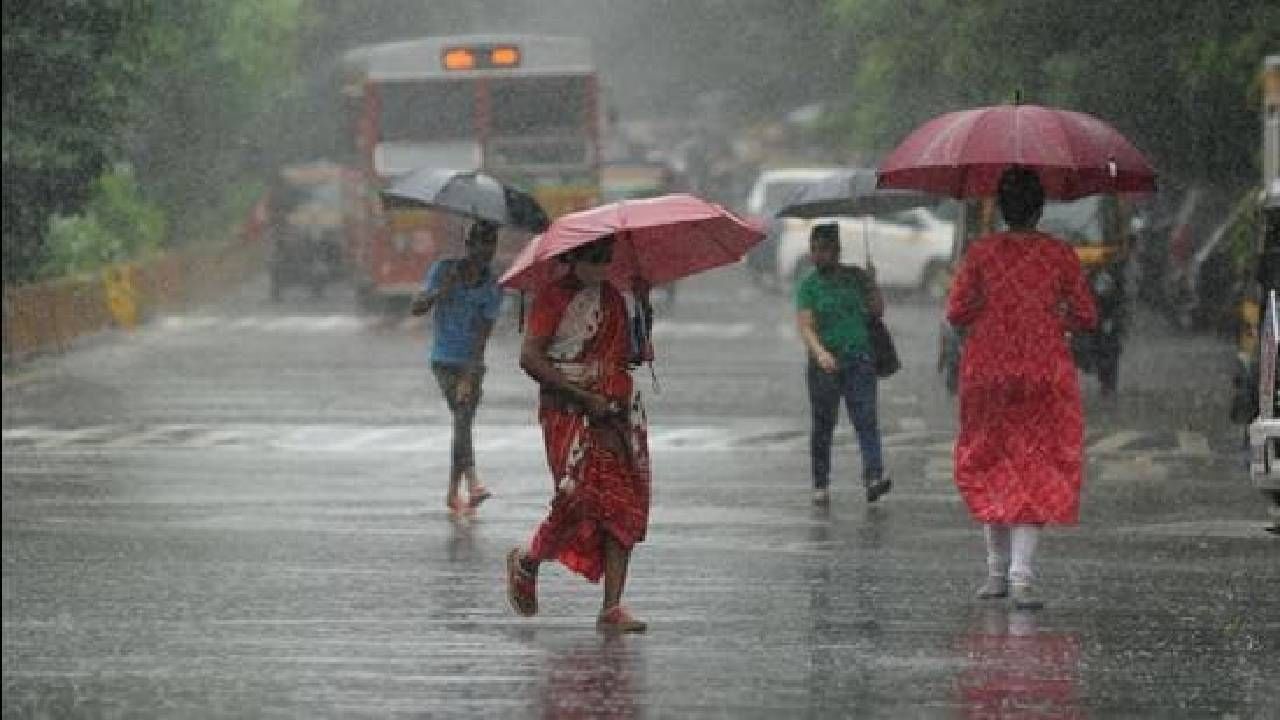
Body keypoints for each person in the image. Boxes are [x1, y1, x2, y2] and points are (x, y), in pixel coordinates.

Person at [945, 166, 1098, 610]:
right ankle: (1022, 576)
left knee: (991, 460)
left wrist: (990, 314)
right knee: (1036, 464)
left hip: (987, 371)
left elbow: (956, 313)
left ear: (1001, 208)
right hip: (1044, 369)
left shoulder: (980, 253)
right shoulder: (1060, 255)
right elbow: (1087, 315)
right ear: (1040, 207)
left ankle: (995, 573)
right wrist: (1053, 319)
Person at [505, 234, 653, 633]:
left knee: (623, 507)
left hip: (617, 415)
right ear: (573, 258)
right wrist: (583, 396)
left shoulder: (615, 300)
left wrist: (643, 307)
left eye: (607, 258)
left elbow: (632, 356)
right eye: (594, 257)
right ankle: (529, 560)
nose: (602, 266)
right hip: (569, 413)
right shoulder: (553, 298)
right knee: (579, 499)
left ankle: (612, 607)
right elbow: (530, 358)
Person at [795, 222, 892, 505]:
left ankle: (874, 477)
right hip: (824, 364)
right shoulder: (809, 286)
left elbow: (878, 311)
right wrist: (820, 352)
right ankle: (820, 483)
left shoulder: (856, 277)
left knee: (866, 420)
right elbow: (805, 326)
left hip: (859, 358)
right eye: (813, 249)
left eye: (823, 249)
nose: (817, 255)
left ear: (837, 250)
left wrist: (873, 283)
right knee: (823, 424)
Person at [410, 220, 503, 515]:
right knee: (462, 419)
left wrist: (469, 375)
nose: (485, 253)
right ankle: (472, 481)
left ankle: (454, 492)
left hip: (471, 363)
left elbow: (483, 336)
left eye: (490, 246)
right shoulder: (443, 270)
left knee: (462, 422)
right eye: (480, 245)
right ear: (469, 245)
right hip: (443, 359)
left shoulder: (491, 286)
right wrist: (441, 291)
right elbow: (416, 307)